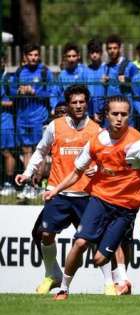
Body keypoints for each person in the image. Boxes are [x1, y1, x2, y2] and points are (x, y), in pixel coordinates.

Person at [45, 95, 140, 300]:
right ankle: (63, 288)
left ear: (129, 116)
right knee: (80, 243)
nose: (119, 118)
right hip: (99, 200)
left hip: (125, 209)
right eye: (114, 114)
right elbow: (77, 171)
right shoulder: (97, 140)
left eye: (124, 114)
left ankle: (121, 280)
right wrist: (56, 190)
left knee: (99, 259)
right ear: (106, 115)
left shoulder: (139, 145)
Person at [14, 85, 103, 294]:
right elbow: (40, 151)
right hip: (58, 193)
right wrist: (27, 173)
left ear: (87, 103)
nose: (79, 106)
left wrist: (97, 169)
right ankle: (52, 274)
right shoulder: (55, 127)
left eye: (82, 102)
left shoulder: (96, 130)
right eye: (74, 102)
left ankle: (113, 283)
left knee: (95, 242)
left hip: (86, 194)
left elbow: (105, 158)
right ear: (68, 104)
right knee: (44, 234)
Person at [10, 44, 55, 199]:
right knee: (26, 151)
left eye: (36, 55)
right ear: (25, 57)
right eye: (31, 55)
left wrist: (34, 91)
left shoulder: (44, 72)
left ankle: (39, 183)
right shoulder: (19, 72)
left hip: (39, 118)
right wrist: (18, 91)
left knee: (40, 151)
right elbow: (10, 91)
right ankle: (28, 183)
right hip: (22, 118)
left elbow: (50, 92)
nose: (33, 58)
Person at [0, 57, 17, 197]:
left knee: (6, 152)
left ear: (3, 62)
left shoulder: (8, 79)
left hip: (5, 122)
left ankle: (9, 183)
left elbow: (14, 101)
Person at [102, 34, 139, 98]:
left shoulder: (130, 66)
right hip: (110, 105)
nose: (112, 51)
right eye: (109, 48)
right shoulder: (105, 68)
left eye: (115, 48)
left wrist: (127, 81)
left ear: (120, 49)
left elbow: (139, 85)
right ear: (107, 50)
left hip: (126, 105)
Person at [53, 43, 86, 107]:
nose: (71, 59)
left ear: (78, 56)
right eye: (69, 56)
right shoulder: (62, 75)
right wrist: (55, 107)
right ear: (65, 57)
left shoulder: (84, 72)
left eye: (74, 56)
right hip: (67, 111)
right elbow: (54, 93)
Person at [84, 39, 106, 123]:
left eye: (97, 52)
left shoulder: (106, 69)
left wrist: (100, 110)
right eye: (92, 52)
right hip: (89, 112)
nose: (94, 55)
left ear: (101, 53)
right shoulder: (85, 71)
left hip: (104, 111)